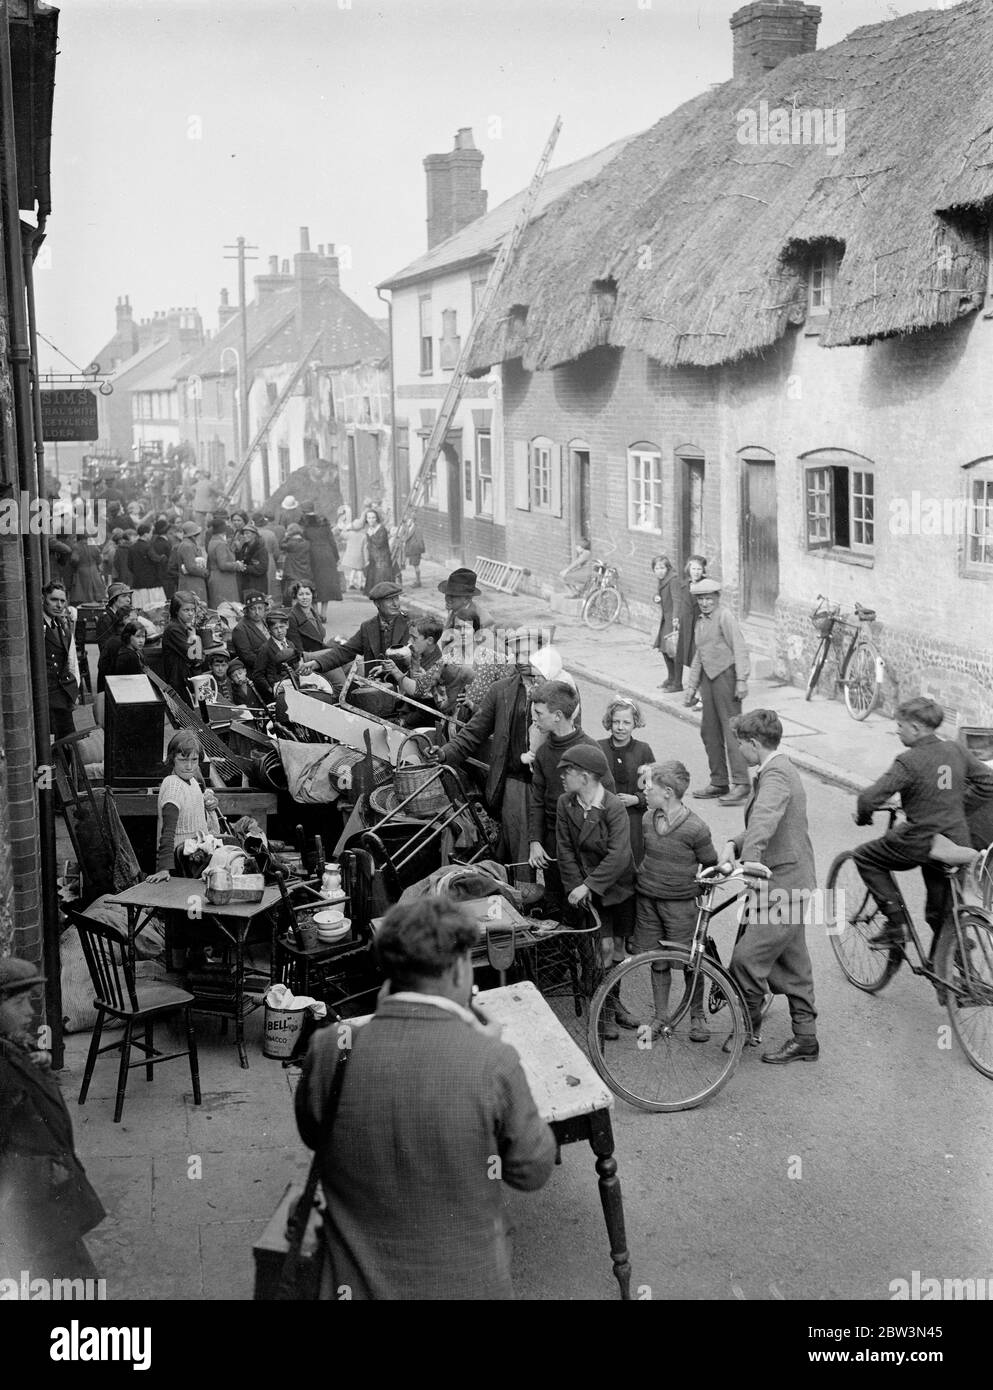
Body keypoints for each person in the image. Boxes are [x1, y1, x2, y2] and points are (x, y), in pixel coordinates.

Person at [294, 896, 556, 1300]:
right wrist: (480, 1050)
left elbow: (315, 1134)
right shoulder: (493, 1061)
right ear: (458, 969)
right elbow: (531, 1171)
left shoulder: (331, 1049)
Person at [717, 709, 819, 1064]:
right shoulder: (778, 769)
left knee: (747, 958)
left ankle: (747, 1026)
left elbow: (766, 818)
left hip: (782, 884)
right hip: (790, 880)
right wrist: (735, 842)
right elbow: (770, 824)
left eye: (740, 744)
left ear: (754, 744)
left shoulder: (775, 774)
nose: (738, 750)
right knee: (793, 963)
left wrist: (751, 859)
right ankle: (806, 1039)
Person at [853, 697, 993, 950]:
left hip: (922, 840)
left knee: (864, 856)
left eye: (900, 726)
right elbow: (988, 783)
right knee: (942, 915)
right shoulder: (956, 749)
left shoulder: (909, 761)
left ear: (916, 728)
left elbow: (869, 798)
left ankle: (896, 924)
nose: (897, 730)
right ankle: (959, 974)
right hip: (957, 840)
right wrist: (959, 807)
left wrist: (864, 816)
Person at [0, 958, 106, 1281]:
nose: (30, 1013)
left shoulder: (12, 1044)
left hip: (44, 1189)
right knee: (69, 1277)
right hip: (30, 1196)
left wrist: (40, 1064)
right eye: (20, 1003)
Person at [438, 643, 544, 876]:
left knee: (551, 848)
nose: (521, 659)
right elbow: (473, 733)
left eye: (529, 653)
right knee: (519, 849)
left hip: (547, 785)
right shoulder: (501, 690)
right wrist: (445, 753)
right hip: (515, 783)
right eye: (517, 654)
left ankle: (554, 903)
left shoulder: (557, 688)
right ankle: (523, 899)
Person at [633, 760, 718, 1039]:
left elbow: (709, 864)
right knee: (656, 959)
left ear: (667, 791)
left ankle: (697, 1016)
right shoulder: (647, 819)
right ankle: (660, 1017)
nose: (644, 791)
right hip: (648, 902)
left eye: (650, 786)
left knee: (690, 960)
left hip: (680, 906)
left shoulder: (696, 828)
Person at [556, 744, 637, 1039]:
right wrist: (578, 886)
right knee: (599, 950)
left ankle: (614, 1003)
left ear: (587, 776)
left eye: (568, 771)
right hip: (587, 890)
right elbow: (564, 849)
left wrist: (588, 884)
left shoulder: (613, 806)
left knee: (617, 949)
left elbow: (619, 856)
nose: (563, 777)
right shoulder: (566, 803)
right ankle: (602, 1012)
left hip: (617, 887)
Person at [527, 680, 616, 913]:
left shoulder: (590, 750)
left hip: (585, 845)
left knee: (586, 910)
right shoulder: (544, 752)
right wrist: (535, 841)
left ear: (557, 715)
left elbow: (609, 800)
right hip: (552, 842)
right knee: (557, 904)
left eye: (538, 713)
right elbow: (536, 800)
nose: (533, 718)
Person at [684, 577, 751, 806]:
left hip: (727, 677)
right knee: (709, 731)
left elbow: (740, 647)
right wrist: (691, 687)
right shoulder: (701, 622)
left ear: (717, 598)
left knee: (732, 731)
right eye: (700, 599)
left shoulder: (725, 616)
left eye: (708, 598)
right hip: (708, 680)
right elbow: (699, 656)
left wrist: (741, 680)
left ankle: (741, 783)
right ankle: (719, 781)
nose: (704, 603)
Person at [148, 729, 221, 876]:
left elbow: (193, 810)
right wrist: (164, 869)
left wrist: (209, 805)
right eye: (183, 760)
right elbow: (167, 832)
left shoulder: (192, 781)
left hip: (196, 858)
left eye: (194, 760)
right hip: (180, 865)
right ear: (172, 759)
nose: (189, 766)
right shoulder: (173, 787)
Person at [308, 581, 410, 683]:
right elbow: (345, 651)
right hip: (375, 689)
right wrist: (317, 663)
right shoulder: (368, 627)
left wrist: (391, 669)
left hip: (406, 687)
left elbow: (414, 656)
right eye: (389, 600)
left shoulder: (409, 623)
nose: (395, 604)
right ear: (377, 603)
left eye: (396, 598)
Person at [597, 696, 655, 863]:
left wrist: (637, 798)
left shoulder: (642, 750)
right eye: (616, 722)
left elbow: (649, 787)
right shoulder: (599, 748)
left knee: (632, 861)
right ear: (610, 722)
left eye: (626, 723)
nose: (620, 728)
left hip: (633, 820)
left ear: (635, 723)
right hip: (604, 818)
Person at [380, 615, 466, 722]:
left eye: (414, 638)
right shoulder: (418, 652)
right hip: (410, 706)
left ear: (429, 640)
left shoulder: (437, 664)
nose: (409, 642)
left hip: (426, 715)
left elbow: (419, 693)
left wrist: (395, 671)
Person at [42, 580, 80, 740]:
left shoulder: (61, 626)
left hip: (64, 693)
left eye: (62, 601)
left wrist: (74, 690)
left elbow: (71, 661)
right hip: (49, 695)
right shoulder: (38, 626)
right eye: (54, 600)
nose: (58, 605)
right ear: (43, 599)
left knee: (70, 742)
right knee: (57, 744)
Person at [161, 590, 203, 703]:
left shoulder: (184, 627)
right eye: (186, 610)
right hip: (179, 681)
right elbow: (196, 658)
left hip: (184, 679)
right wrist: (194, 638)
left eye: (192, 610)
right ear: (176, 611)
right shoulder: (174, 629)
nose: (191, 613)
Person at [253, 607, 301, 703]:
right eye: (275, 628)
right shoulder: (265, 648)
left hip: (294, 687)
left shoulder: (290, 644)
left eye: (282, 627)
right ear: (269, 630)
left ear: (287, 625)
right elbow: (258, 675)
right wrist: (271, 689)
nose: (279, 631)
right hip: (278, 691)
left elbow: (296, 666)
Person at [675, 555, 707, 698]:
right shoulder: (684, 585)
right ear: (689, 569)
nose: (696, 572)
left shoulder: (706, 586)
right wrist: (677, 618)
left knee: (698, 659)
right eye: (694, 568)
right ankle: (693, 691)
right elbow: (680, 603)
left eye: (699, 569)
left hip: (699, 626)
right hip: (686, 626)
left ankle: (700, 693)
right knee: (687, 657)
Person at [301, 509, 341, 617]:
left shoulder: (306, 530)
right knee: (325, 584)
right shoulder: (326, 528)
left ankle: (315, 612)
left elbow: (304, 544)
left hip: (313, 556)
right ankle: (324, 613)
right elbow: (332, 543)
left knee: (314, 583)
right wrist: (336, 557)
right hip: (327, 556)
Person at [651, 554, 680, 691]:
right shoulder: (662, 581)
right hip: (665, 617)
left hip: (671, 619)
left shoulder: (672, 580)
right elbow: (659, 596)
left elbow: (676, 600)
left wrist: (675, 618)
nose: (660, 571)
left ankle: (677, 683)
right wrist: (656, 598)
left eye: (662, 568)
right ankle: (671, 678)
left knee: (672, 650)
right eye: (657, 568)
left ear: (667, 568)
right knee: (664, 649)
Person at [206, 516, 244, 608]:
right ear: (223, 529)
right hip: (223, 580)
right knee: (227, 608)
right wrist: (237, 565)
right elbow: (222, 565)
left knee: (218, 606)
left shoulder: (213, 541)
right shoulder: (220, 544)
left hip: (215, 577)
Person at [128, 522, 166, 610]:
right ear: (146, 534)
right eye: (150, 533)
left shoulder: (132, 547)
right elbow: (156, 560)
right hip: (151, 584)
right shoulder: (148, 547)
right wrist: (163, 558)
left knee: (140, 608)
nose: (151, 535)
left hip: (138, 582)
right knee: (153, 609)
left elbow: (129, 565)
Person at [231, 589, 270, 670]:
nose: (257, 612)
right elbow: (248, 657)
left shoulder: (267, 622)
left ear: (265, 608)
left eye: (260, 608)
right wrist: (271, 663)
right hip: (258, 671)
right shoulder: (240, 629)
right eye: (253, 608)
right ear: (247, 610)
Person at [67, 533, 106, 605]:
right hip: (94, 571)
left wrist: (73, 566)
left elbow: (74, 559)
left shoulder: (76, 546)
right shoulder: (93, 545)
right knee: (96, 594)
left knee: (84, 594)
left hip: (82, 571)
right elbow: (99, 559)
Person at [286, 581, 326, 653]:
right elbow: (298, 649)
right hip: (307, 658)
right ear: (296, 596)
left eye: (307, 594)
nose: (304, 597)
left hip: (318, 654)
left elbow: (320, 641)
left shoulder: (313, 614)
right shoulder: (292, 618)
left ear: (312, 595)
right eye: (301, 594)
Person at [234, 518, 269, 601]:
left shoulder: (261, 549)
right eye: (243, 534)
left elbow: (262, 568)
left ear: (254, 535)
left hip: (257, 584)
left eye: (247, 533)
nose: (245, 536)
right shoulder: (244, 547)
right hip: (246, 584)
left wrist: (245, 568)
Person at [279, 522, 313, 606]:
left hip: (293, 573)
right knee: (305, 595)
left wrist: (286, 537)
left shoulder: (291, 543)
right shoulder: (307, 543)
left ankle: (296, 615)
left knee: (294, 595)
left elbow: (281, 545)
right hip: (304, 572)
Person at [363, 507, 394, 594]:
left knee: (381, 576)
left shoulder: (381, 529)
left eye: (373, 518)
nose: (371, 520)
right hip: (373, 557)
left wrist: (371, 535)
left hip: (382, 558)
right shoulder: (369, 530)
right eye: (369, 518)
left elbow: (379, 543)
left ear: (377, 518)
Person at [175, 521, 208, 604]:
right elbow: (191, 567)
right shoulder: (187, 546)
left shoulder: (187, 544)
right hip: (192, 583)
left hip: (191, 581)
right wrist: (205, 572)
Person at [342, 516, 367, 591]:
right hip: (359, 555)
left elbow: (342, 534)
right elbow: (365, 548)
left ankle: (351, 583)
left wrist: (346, 528)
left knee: (353, 570)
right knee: (360, 570)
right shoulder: (363, 536)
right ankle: (361, 584)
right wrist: (366, 559)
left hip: (350, 555)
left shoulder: (350, 534)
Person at [404, 520, 425, 587]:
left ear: (412, 521)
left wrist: (420, 549)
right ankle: (417, 581)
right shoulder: (409, 528)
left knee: (416, 565)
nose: (407, 522)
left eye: (408, 521)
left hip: (415, 550)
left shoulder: (416, 528)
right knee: (415, 565)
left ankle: (418, 582)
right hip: (411, 550)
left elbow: (420, 539)